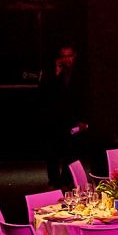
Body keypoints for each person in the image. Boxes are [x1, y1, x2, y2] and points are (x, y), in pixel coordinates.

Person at [39, 44, 89, 187]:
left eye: (69, 56)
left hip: (73, 119)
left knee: (71, 152)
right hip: (54, 120)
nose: (67, 59)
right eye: (64, 56)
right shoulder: (53, 73)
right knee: (52, 153)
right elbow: (45, 94)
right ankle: (54, 182)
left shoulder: (81, 74)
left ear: (75, 56)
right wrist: (56, 73)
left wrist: (83, 120)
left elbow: (85, 97)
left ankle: (66, 180)